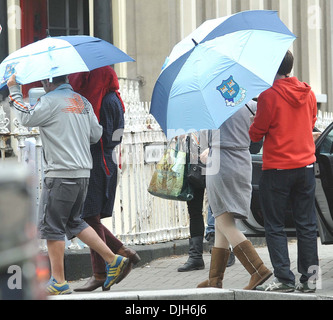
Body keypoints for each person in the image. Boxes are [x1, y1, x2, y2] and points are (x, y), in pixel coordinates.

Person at [7, 74, 129, 295]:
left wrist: (14, 90)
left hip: (60, 174)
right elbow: (96, 134)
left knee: (51, 227)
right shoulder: (82, 101)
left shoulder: (50, 101)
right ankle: (113, 259)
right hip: (83, 174)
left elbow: (25, 119)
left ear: (46, 82)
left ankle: (59, 281)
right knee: (75, 222)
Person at [249, 51, 319, 293]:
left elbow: (257, 133)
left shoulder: (268, 96)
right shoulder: (308, 93)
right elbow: (310, 124)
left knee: (275, 225)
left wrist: (257, 122)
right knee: (307, 225)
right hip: (306, 167)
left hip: (278, 168)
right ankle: (310, 280)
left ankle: (285, 280)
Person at [68, 66, 141, 292]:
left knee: (89, 215)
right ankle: (122, 252)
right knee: (89, 216)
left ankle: (101, 271)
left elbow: (105, 135)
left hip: (98, 161)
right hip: (104, 160)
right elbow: (118, 133)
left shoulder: (106, 101)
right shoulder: (114, 98)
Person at [197, 100, 272, 290]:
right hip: (242, 159)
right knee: (225, 219)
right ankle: (215, 279)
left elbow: (204, 140)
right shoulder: (248, 104)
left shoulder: (210, 104)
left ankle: (258, 269)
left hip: (220, 161)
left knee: (222, 221)